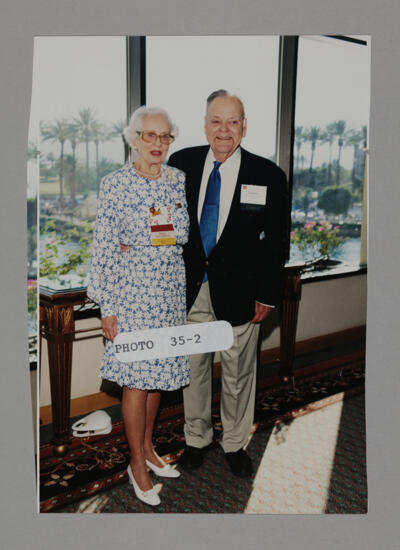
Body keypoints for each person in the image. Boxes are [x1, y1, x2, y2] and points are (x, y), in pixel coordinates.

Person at [168, 90, 288, 478]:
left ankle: (235, 443)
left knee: (239, 373)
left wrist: (267, 294)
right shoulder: (180, 164)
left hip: (241, 293)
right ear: (205, 125)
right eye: (216, 121)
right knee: (194, 370)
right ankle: (196, 439)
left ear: (244, 127)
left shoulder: (267, 175)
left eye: (232, 121)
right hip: (190, 289)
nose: (224, 130)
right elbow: (164, 223)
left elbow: (277, 242)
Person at [87, 106, 190, 506]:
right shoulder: (116, 184)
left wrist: (147, 241)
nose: (158, 144)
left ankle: (147, 448)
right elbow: (105, 248)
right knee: (136, 379)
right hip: (131, 293)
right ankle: (136, 464)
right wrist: (107, 306)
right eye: (150, 136)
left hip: (168, 291)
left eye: (165, 137)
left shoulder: (177, 180)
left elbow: (176, 235)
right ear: (134, 139)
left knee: (159, 375)